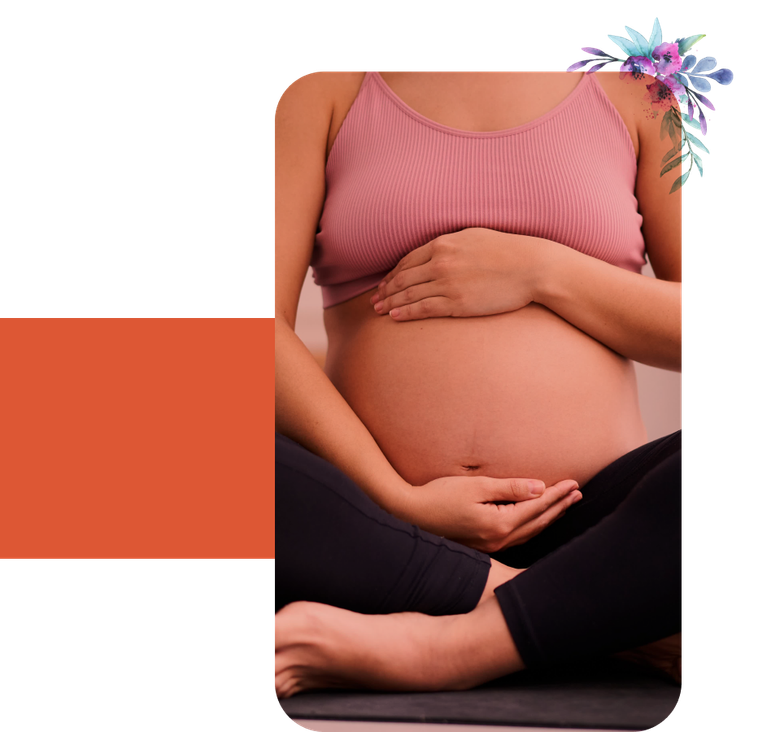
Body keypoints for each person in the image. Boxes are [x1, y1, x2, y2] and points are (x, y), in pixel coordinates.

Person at [272, 69, 683, 697]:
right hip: (373, 522)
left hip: (600, 527)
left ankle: (451, 644)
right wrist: (393, 498)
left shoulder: (651, 94)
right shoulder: (319, 90)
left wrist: (542, 271)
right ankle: (581, 614)